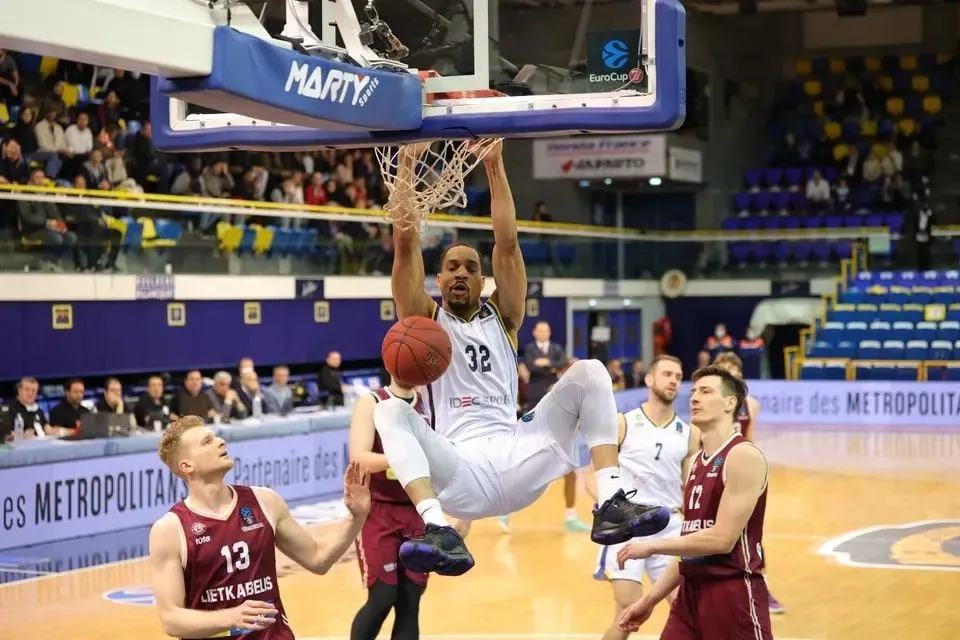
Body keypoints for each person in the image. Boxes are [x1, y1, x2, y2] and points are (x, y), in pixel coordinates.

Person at [374, 140, 669, 577]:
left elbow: (507, 243)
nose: (460, 273)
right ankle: (439, 529)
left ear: (483, 280)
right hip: (458, 469)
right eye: (452, 267)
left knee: (589, 371)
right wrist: (408, 161)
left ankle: (609, 498)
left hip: (517, 453)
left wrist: (494, 164)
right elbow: (404, 245)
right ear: (437, 279)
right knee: (390, 413)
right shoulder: (424, 319)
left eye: (471, 268)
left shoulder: (505, 316)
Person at [149, 415, 370, 640]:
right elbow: (171, 619)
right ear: (186, 466)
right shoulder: (170, 530)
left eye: (216, 437)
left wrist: (356, 517)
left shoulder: (264, 501)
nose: (221, 442)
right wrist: (230, 617)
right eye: (207, 441)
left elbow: (318, 559)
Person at [615, 366, 773, 640]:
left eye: (706, 391)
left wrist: (651, 545)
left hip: (731, 592)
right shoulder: (696, 464)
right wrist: (648, 601)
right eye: (694, 391)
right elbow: (690, 547)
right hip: (689, 595)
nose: (694, 397)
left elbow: (720, 540)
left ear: (730, 403)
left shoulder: (742, 456)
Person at [595, 355, 700, 640]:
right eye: (667, 374)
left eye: (678, 377)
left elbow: (689, 488)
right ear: (649, 379)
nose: (673, 381)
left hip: (668, 527)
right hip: (627, 528)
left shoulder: (690, 434)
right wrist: (610, 510)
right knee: (628, 611)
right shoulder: (622, 423)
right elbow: (594, 479)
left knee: (686, 609)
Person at [349, 377, 430, 640]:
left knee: (410, 601)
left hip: (417, 509)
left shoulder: (429, 404)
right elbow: (359, 458)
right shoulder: (371, 401)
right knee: (383, 597)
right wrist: (405, 458)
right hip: (378, 511)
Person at [712, 352, 784, 615]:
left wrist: (757, 471)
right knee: (713, 535)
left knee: (751, 534)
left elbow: (750, 439)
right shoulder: (708, 403)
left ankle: (761, 588)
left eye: (735, 369)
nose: (732, 373)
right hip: (715, 473)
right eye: (726, 368)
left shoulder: (750, 404)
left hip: (740, 473)